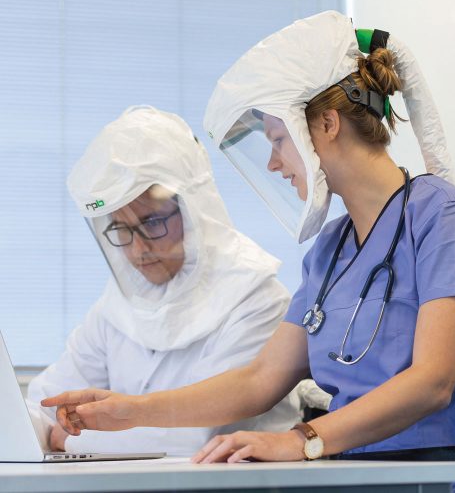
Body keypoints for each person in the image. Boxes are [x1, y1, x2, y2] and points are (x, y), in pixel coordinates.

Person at [43, 12, 455, 490]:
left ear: (328, 123)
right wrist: (130, 411)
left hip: (442, 476)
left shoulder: (447, 219)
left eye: (279, 140)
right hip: (356, 475)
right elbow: (260, 380)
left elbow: (431, 383)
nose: (272, 162)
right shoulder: (332, 249)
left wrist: (305, 439)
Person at [30, 105, 302, 455]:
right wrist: (41, 429)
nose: (139, 249)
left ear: (194, 211)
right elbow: (44, 402)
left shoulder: (255, 299)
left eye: (153, 223)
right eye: (121, 229)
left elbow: (196, 434)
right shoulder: (118, 309)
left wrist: (67, 439)